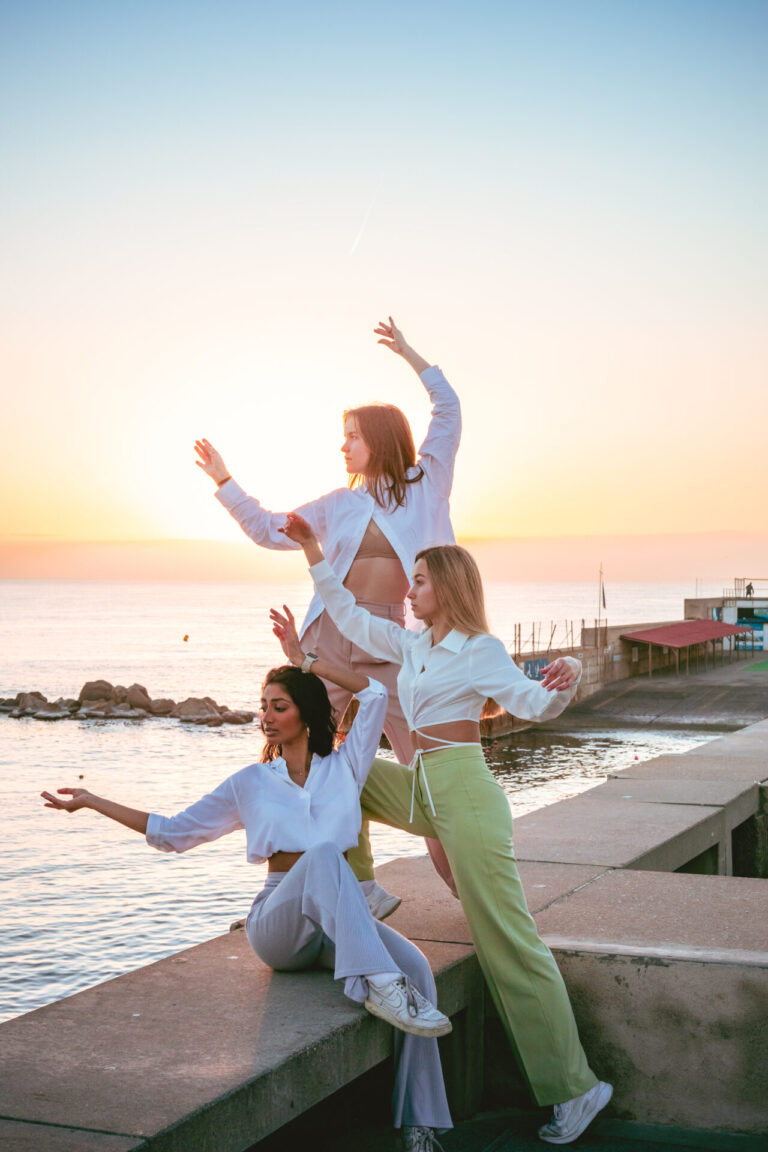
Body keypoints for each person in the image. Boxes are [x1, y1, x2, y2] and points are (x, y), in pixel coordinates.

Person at [41, 609, 453, 1152]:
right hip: (278, 923)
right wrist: (93, 802)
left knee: (419, 969)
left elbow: (375, 692)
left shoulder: (345, 767)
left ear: (306, 713)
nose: (266, 717)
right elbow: (172, 832)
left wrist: (304, 659)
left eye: (278, 707)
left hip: (338, 923)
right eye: (263, 708)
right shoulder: (251, 783)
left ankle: (419, 1125)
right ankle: (377, 984)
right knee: (328, 855)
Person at [282, 513, 613, 1147]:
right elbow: (348, 616)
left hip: (465, 794)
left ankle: (577, 1087)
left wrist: (565, 679)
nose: (410, 592)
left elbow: (528, 701)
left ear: (451, 587)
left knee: (509, 945)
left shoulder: (480, 650)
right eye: (411, 582)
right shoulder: (416, 645)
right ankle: (362, 886)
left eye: (421, 582)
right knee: (338, 771)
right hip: (425, 784)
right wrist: (312, 551)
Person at [194, 317, 461, 918]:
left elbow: (448, 408)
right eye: (342, 436)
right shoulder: (340, 504)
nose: (343, 446)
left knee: (429, 777)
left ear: (382, 439)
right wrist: (225, 481)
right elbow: (269, 528)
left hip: (394, 647)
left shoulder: (426, 484)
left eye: (352, 436)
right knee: (308, 768)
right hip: (330, 642)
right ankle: (321, 892)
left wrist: (411, 354)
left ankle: (473, 895)